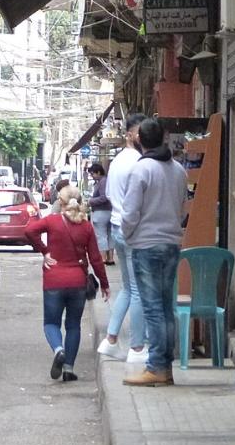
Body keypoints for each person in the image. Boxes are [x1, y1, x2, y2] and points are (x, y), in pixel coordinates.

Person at [122, 118, 188, 387]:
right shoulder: (179, 170)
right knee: (166, 307)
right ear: (164, 138)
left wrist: (128, 235)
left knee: (153, 309)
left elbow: (130, 212)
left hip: (146, 245)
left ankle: (156, 367)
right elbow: (182, 207)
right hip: (171, 244)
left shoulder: (141, 170)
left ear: (139, 140)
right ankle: (165, 366)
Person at [24, 185, 109, 382]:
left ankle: (58, 349)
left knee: (51, 323)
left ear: (60, 202)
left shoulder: (52, 221)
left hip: (54, 279)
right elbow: (96, 259)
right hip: (78, 281)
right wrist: (104, 284)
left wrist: (44, 251)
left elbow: (29, 230)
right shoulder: (86, 226)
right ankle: (69, 369)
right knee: (73, 325)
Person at [97, 113, 149, 363]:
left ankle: (111, 339)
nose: (143, 136)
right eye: (139, 132)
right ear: (129, 134)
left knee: (128, 289)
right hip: (131, 231)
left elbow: (109, 194)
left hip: (118, 227)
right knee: (138, 291)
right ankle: (137, 348)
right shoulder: (138, 162)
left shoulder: (117, 161)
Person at [87, 163, 115, 265]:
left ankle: (103, 258)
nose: (92, 176)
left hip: (101, 212)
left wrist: (91, 201)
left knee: (101, 235)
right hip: (110, 211)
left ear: (98, 172)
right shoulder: (107, 181)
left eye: (92, 174)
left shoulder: (102, 182)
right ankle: (110, 258)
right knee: (110, 235)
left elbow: (104, 197)